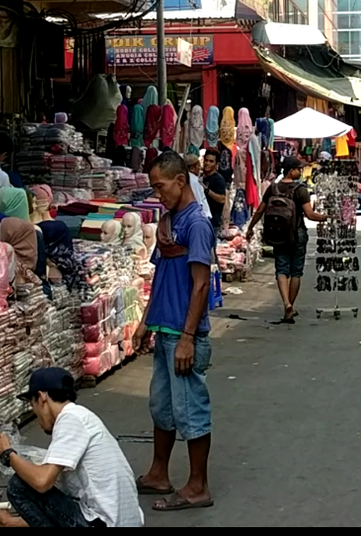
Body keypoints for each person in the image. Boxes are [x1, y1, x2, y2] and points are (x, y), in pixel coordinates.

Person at [133, 153, 215, 512]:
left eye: (160, 186)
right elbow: (160, 276)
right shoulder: (169, 222)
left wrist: (187, 337)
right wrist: (144, 322)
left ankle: (198, 486)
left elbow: (200, 285)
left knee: (189, 408)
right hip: (165, 327)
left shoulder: (196, 224)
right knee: (162, 407)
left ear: (180, 181)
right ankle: (158, 472)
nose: (158, 194)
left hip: (183, 333)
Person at [0, 367, 143, 527]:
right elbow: (57, 513)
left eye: (32, 404)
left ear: (41, 397)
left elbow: (41, 482)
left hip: (106, 522)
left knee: (19, 486)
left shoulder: (71, 419)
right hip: (111, 520)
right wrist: (11, 522)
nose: (35, 414)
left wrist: (7, 453)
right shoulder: (80, 416)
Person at [246, 156, 327, 323]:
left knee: (281, 269)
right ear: (291, 170)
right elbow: (310, 215)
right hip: (297, 233)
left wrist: (250, 228)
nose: (301, 171)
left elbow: (260, 210)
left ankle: (286, 303)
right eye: (299, 168)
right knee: (296, 272)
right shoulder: (300, 190)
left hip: (278, 235)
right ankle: (291, 306)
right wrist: (326, 217)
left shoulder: (273, 188)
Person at [201, 148, 228, 232]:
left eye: (211, 161)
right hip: (202, 221)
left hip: (213, 223)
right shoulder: (202, 178)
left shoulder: (218, 179)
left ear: (216, 164)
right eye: (206, 160)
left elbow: (222, 199)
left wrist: (207, 190)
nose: (207, 163)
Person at [183, 152, 213, 222]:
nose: (200, 168)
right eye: (198, 166)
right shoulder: (193, 181)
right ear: (192, 168)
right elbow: (198, 201)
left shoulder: (188, 178)